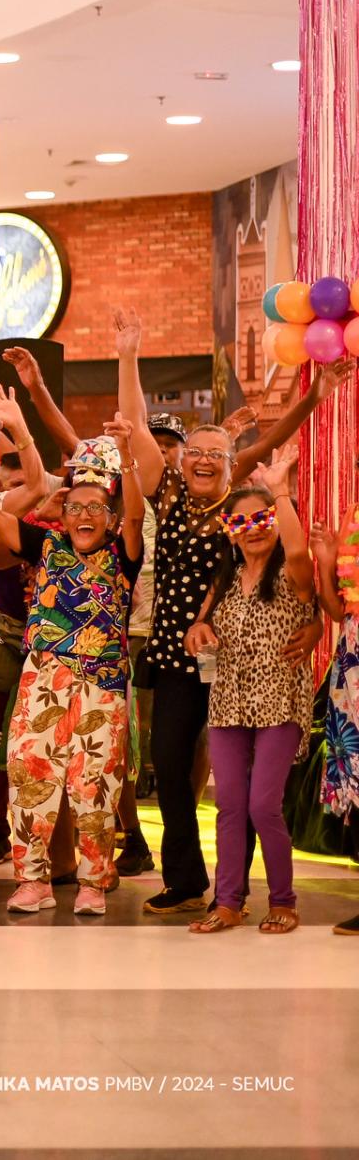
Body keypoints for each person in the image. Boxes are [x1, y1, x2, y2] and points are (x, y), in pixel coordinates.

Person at [128, 306, 338, 914]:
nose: (202, 460)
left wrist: (316, 397)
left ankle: (242, 891)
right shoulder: (168, 494)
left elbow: (272, 450)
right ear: (181, 458)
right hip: (177, 656)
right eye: (193, 450)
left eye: (217, 454)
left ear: (229, 465)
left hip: (249, 666)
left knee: (245, 792)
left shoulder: (240, 508)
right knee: (170, 769)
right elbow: (141, 432)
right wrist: (129, 353)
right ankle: (190, 881)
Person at [0, 418, 145, 916]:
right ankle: (33, 880)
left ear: (110, 518)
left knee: (94, 782)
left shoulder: (123, 552)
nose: (85, 515)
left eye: (97, 507)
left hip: (103, 682)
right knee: (30, 772)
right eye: (76, 507)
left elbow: (136, 515)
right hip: (43, 676)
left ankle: (94, 882)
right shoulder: (45, 545)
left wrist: (129, 455)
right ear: (64, 514)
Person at [185, 462, 315, 935]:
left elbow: (299, 549)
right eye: (241, 521)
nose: (253, 528)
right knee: (230, 808)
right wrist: (198, 632)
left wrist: (278, 492)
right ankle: (228, 903)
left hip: (279, 702)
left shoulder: (290, 575)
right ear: (230, 533)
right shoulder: (225, 579)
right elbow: (196, 630)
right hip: (227, 705)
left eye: (263, 518)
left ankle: (283, 900)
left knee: (264, 806)